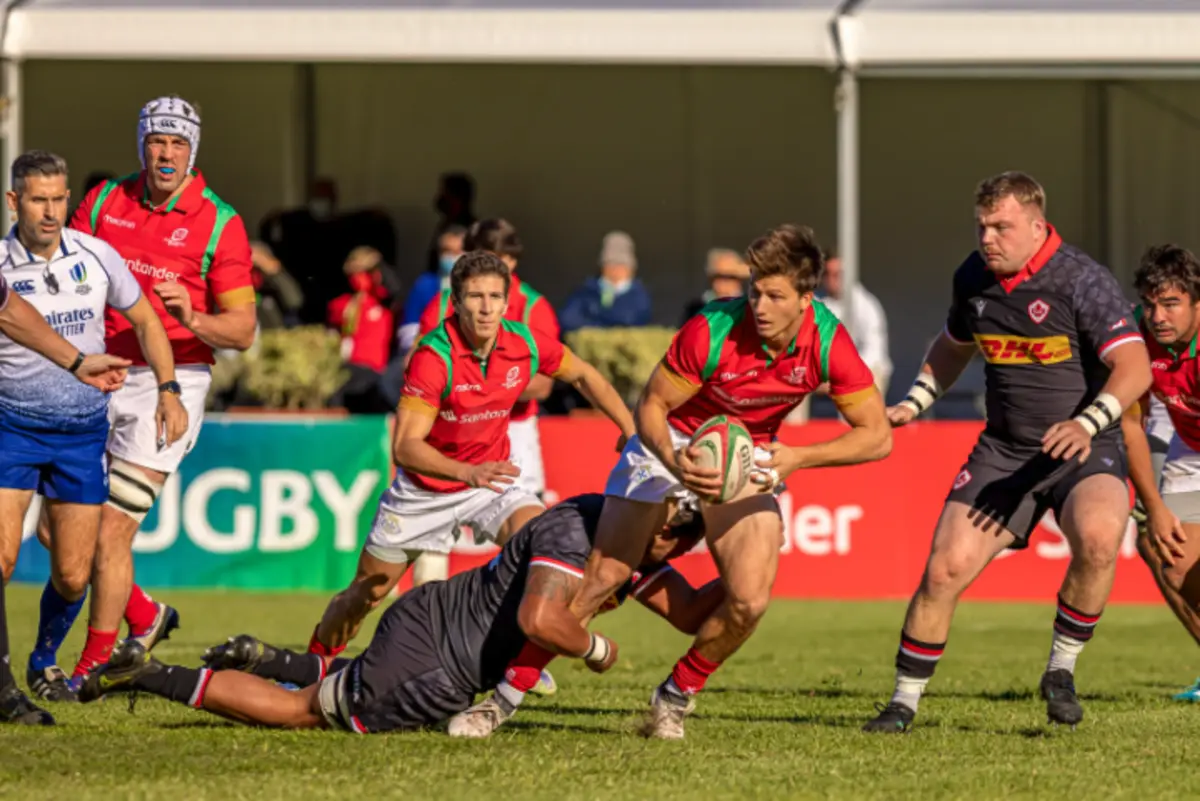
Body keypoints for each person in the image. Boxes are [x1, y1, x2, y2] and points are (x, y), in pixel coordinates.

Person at [523, 224, 891, 741]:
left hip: (745, 456)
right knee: (605, 575)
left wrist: (797, 459)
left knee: (748, 600)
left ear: (807, 300)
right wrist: (675, 461)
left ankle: (674, 695)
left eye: (774, 295)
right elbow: (650, 405)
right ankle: (503, 694)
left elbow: (877, 437)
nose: (758, 305)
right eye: (754, 290)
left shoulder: (829, 341)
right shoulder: (713, 326)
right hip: (670, 441)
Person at [862, 171, 1151, 734]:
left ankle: (1061, 670)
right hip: (1005, 450)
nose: (988, 238)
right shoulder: (973, 278)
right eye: (982, 226)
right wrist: (915, 401)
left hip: (1086, 447)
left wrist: (1087, 421)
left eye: (1002, 226)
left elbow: (1133, 367)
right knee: (943, 569)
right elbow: (952, 347)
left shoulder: (1082, 281)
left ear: (1038, 227)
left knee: (1098, 537)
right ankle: (902, 703)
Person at [80, 494, 718, 734]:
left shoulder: (610, 526)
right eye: (685, 540)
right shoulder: (579, 540)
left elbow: (689, 611)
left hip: (426, 620)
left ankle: (265, 656)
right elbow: (540, 622)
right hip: (436, 664)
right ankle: (145, 675)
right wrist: (597, 651)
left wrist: (742, 585)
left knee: (341, 678)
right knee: (303, 714)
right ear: (668, 534)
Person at [305, 251, 636, 666]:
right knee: (366, 592)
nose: (486, 307)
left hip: (490, 481)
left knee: (546, 540)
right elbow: (406, 446)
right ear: (456, 303)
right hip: (425, 491)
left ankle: (525, 656)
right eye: (475, 297)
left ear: (506, 300)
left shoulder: (524, 342)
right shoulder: (433, 357)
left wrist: (629, 428)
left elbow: (584, 374)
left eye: (495, 297)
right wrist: (467, 471)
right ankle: (313, 662)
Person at [42, 95, 257, 687]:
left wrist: (193, 317)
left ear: (194, 151)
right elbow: (64, 275)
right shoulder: (106, 200)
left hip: (171, 383)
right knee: (58, 530)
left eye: (178, 144)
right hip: (95, 371)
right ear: (142, 144)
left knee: (110, 533)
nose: (166, 153)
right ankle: (145, 615)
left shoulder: (220, 221)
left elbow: (242, 329)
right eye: (157, 141)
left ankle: (95, 666)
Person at [0, 151, 186, 722]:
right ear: (14, 202)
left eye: (59, 198)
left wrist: (169, 387)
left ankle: (43, 661)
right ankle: (4, 680)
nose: (51, 211)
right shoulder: (2, 264)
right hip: (11, 427)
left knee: (74, 572)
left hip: (82, 433)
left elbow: (148, 320)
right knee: (2, 556)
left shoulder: (97, 254)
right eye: (38, 199)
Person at [1121, 244, 1200, 702]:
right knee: (1158, 546)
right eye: (1151, 303)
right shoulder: (1136, 332)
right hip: (1187, 443)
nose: (1158, 315)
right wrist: (1153, 506)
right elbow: (1131, 419)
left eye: (1171, 303)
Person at [559, 231, 653, 334]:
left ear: (630, 269)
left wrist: (595, 314)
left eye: (621, 265)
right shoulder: (586, 291)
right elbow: (568, 319)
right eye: (610, 264)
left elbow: (630, 320)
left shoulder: (639, 296)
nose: (615, 271)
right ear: (603, 267)